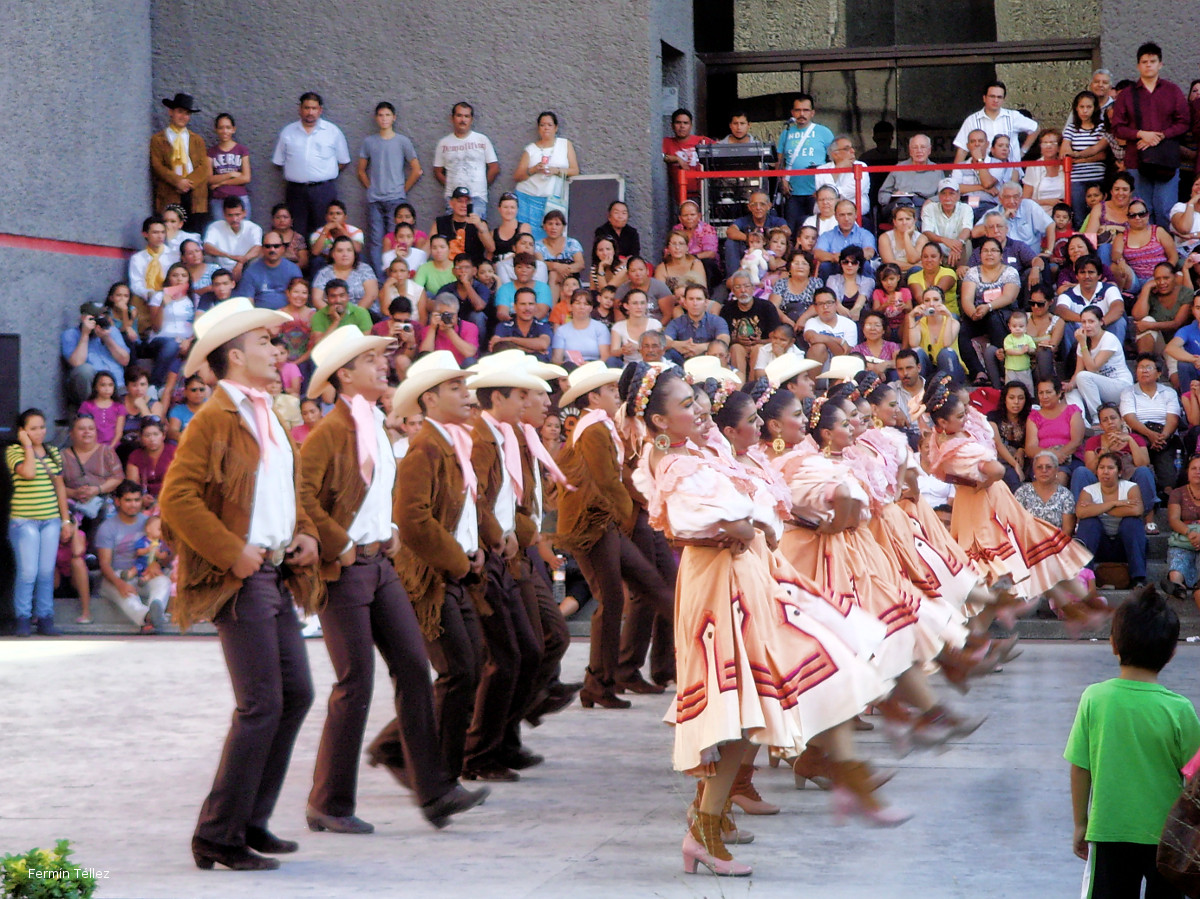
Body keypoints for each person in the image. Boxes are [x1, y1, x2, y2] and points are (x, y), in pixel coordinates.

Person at [297, 327, 488, 830]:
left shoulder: (373, 425)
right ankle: (329, 803)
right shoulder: (330, 431)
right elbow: (304, 495)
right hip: (346, 570)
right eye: (370, 360)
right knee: (355, 683)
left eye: (380, 358)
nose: (383, 364)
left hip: (379, 566)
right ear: (344, 374)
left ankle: (434, 790)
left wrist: (390, 532)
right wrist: (340, 542)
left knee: (413, 667)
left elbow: (378, 492)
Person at [160, 297, 321, 871]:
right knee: (262, 703)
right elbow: (176, 498)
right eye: (264, 342)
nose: (277, 351)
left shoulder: (267, 414)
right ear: (233, 356)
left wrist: (304, 531)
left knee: (293, 695)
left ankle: (249, 820)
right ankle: (218, 835)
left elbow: (287, 492)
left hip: (271, 572)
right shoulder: (214, 418)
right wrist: (233, 552)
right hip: (242, 578)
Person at [553, 362, 673, 709]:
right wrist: (632, 512)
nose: (616, 395)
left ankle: (615, 675)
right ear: (593, 397)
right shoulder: (593, 429)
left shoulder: (600, 425)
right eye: (608, 390)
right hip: (593, 523)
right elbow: (608, 480)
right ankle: (599, 682)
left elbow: (615, 475)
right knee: (615, 598)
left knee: (649, 585)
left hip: (604, 521)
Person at [1065, 589, 1200, 897]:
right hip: (1168, 838)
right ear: (1171, 652)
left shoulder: (1094, 699)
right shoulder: (1179, 709)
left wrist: (1080, 823)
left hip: (1109, 832)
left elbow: (1080, 768)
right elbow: (1196, 778)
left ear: (1113, 643)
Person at [1110, 41, 1191, 228]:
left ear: (1160, 64)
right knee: (1141, 210)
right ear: (1138, 65)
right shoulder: (1127, 95)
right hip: (1136, 160)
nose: (1148, 65)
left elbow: (1184, 122)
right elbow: (1117, 127)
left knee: (1165, 209)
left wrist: (1160, 135)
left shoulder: (1172, 91)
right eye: (1144, 62)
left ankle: (1165, 246)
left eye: (1152, 61)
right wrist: (1141, 134)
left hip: (1166, 159)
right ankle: (1145, 246)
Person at [7, 409, 72, 638]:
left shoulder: (53, 452)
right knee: (28, 572)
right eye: (33, 428)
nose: (39, 432)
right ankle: (23, 618)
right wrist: (27, 446)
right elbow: (29, 473)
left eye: (42, 427)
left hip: (50, 520)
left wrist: (65, 520)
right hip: (24, 521)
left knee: (46, 572)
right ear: (22, 431)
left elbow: (60, 487)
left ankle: (45, 617)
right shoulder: (14, 451)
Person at [272, 92, 351, 240]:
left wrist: (322, 174)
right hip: (296, 190)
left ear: (320, 110)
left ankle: (320, 256)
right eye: (306, 108)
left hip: (323, 190)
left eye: (314, 108)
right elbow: (279, 162)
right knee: (297, 231)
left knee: (323, 230)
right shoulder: (288, 132)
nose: (310, 112)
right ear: (300, 109)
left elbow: (343, 161)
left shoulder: (332, 131)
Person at [94, 480, 169, 633]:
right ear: (117, 501)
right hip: (117, 576)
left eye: (137, 500)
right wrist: (120, 584)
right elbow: (104, 564)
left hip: (144, 575)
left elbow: (166, 551)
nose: (133, 504)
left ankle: (156, 607)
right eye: (128, 500)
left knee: (164, 581)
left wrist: (158, 563)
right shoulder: (107, 528)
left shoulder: (151, 522)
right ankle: (148, 617)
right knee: (127, 596)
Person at [357, 101, 422, 277]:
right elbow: (361, 170)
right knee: (376, 241)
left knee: (396, 239)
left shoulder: (402, 141)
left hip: (396, 200)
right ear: (376, 118)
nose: (384, 119)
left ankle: (396, 275)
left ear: (394, 118)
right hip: (375, 200)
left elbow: (416, 170)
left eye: (387, 115)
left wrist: (403, 190)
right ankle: (379, 278)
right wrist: (370, 188)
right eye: (380, 115)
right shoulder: (369, 142)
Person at [1074, 403, 1158, 533]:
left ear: (1121, 419)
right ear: (1101, 425)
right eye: (1105, 420)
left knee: (1144, 472)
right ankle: (1079, 521)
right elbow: (1090, 469)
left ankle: (1149, 521)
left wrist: (1129, 440)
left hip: (1128, 479)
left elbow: (1143, 463)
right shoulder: (1093, 441)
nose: (1110, 422)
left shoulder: (1136, 438)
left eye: (1113, 418)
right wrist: (1105, 449)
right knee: (1080, 472)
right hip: (1102, 479)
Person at [1075, 453, 1148, 585]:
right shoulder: (1088, 490)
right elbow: (1081, 513)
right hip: (1098, 546)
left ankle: (1139, 579)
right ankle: (1084, 577)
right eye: (1101, 468)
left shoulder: (1130, 487)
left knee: (1132, 522)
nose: (1105, 472)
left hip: (1125, 547)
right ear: (1097, 471)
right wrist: (1114, 504)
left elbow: (1137, 510)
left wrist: (1097, 508)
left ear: (1119, 472)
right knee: (1089, 522)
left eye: (1110, 468)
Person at [960, 237, 1021, 384]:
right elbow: (966, 300)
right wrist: (973, 313)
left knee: (994, 318)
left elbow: (1009, 297)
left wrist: (988, 307)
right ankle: (978, 372)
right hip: (978, 314)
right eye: (985, 251)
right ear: (980, 255)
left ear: (1001, 255)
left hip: (1003, 313)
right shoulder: (972, 272)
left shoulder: (1010, 272)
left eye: (994, 250)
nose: (989, 254)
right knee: (961, 330)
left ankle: (1002, 369)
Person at [1120, 353, 1182, 498]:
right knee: (1138, 444)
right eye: (1140, 367)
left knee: (1166, 449)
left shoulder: (1168, 392)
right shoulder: (1128, 392)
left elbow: (1172, 419)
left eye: (1148, 367)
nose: (1144, 371)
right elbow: (1130, 418)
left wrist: (1162, 436)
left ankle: (1167, 492)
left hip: (1164, 434)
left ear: (1159, 373)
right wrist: (1150, 434)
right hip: (1140, 432)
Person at [514, 111, 580, 239]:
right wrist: (534, 169)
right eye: (542, 125)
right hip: (528, 197)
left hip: (552, 200)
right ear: (538, 128)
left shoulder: (564, 144)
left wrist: (557, 171)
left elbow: (575, 170)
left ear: (556, 127)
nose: (546, 128)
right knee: (527, 237)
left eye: (550, 125)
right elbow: (517, 176)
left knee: (551, 236)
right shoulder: (531, 149)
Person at [1065, 306, 1134, 426]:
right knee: (1071, 393)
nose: (1087, 326)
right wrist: (1070, 385)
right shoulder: (1083, 343)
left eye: (1091, 321)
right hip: (1099, 387)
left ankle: (1098, 418)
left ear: (1101, 322)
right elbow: (1078, 372)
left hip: (1120, 386)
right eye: (1084, 322)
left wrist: (1082, 343)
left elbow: (1092, 368)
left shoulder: (1109, 339)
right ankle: (1082, 423)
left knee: (1084, 376)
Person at [775, 94, 835, 231]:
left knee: (817, 229)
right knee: (792, 230)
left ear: (812, 113)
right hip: (792, 192)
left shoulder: (824, 132)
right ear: (792, 112)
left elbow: (835, 160)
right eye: (798, 110)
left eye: (806, 110)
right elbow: (779, 161)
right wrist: (782, 180)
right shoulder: (786, 132)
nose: (801, 114)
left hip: (817, 191)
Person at [150, 93, 209, 225]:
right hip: (171, 191)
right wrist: (178, 181)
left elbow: (204, 166)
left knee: (194, 230)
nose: (183, 116)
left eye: (187, 113)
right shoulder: (158, 139)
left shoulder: (197, 140)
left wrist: (188, 183)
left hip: (194, 193)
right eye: (180, 112)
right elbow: (157, 165)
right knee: (170, 228)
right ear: (171, 112)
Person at [433, 101, 499, 216]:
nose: (463, 120)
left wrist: (482, 185)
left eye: (466, 116)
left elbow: (494, 167)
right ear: (452, 118)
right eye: (459, 115)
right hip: (453, 199)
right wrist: (451, 185)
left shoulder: (482, 140)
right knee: (453, 228)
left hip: (477, 197)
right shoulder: (443, 143)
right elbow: (437, 171)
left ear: (471, 119)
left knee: (476, 227)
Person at [62, 301, 132, 406]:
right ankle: (91, 408)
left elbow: (125, 360)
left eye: (103, 316)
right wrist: (85, 334)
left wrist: (107, 338)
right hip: (91, 388)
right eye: (95, 317)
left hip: (116, 386)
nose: (100, 320)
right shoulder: (71, 334)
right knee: (84, 370)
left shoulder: (112, 331)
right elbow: (77, 363)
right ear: (83, 318)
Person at [953, 81, 1039, 164]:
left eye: (999, 97)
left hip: (1011, 170)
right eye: (992, 96)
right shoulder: (972, 120)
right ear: (984, 98)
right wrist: (956, 172)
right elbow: (962, 150)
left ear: (1003, 99)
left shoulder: (1013, 116)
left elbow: (1035, 129)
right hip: (982, 170)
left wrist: (1022, 152)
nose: (996, 100)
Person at [1024, 375, 1086, 486]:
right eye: (1041, 393)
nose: (1044, 396)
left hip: (1069, 459)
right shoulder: (1034, 417)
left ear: (1059, 393)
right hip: (1043, 461)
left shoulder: (1072, 411)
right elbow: (1030, 448)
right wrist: (1051, 455)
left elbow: (1077, 441)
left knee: (1060, 474)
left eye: (1048, 392)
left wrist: (1059, 455)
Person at [1056, 254, 1127, 350]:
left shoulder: (1109, 289)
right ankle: (1072, 359)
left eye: (1091, 272)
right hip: (1079, 334)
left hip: (1104, 331)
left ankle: (1113, 356)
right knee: (1066, 324)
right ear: (1076, 276)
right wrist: (1087, 321)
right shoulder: (1068, 294)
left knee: (1119, 322)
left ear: (1099, 275)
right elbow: (1061, 310)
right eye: (1082, 272)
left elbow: (1118, 308)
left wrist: (1099, 324)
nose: (1086, 276)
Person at [1132, 261, 1193, 366]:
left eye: (1166, 278)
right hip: (1159, 343)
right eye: (1157, 279)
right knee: (1147, 320)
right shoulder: (1152, 293)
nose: (1161, 282)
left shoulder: (1186, 293)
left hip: (1178, 344)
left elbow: (1177, 323)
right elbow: (1138, 316)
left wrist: (1150, 325)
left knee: (1148, 323)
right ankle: (1144, 364)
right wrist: (1146, 288)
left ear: (1175, 277)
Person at [1111, 198, 1176, 295]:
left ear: (1148, 215)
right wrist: (1120, 261)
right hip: (1133, 279)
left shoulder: (1158, 231)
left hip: (1157, 277)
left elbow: (1173, 256)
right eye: (1133, 215)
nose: (1137, 218)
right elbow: (1116, 253)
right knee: (1114, 267)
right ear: (1128, 218)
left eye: (1141, 214)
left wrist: (1164, 273)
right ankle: (1120, 296)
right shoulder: (1122, 236)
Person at [1061, 90, 1109, 221]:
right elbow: (1064, 152)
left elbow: (1102, 154)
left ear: (1095, 108)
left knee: (1101, 216)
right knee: (1079, 217)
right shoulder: (1071, 128)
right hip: (1076, 179)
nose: (1085, 111)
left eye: (1089, 107)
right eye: (1081, 107)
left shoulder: (1102, 127)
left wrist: (1077, 158)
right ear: (1076, 108)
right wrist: (1070, 154)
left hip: (1097, 178)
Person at [905, 286, 964, 382]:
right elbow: (913, 344)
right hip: (929, 368)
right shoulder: (919, 323)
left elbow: (947, 343)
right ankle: (920, 387)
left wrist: (949, 317)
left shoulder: (954, 323)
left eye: (936, 300)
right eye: (927, 300)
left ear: (942, 302)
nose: (931, 304)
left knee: (946, 352)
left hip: (951, 367)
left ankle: (950, 389)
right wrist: (911, 317)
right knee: (916, 351)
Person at [723, 190, 788, 277]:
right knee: (730, 243)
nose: (758, 207)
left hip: (769, 254)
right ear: (749, 207)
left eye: (762, 204)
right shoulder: (743, 220)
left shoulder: (776, 220)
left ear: (769, 206)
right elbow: (730, 231)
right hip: (749, 254)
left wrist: (774, 234)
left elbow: (787, 230)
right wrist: (751, 239)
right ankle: (734, 278)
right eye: (754, 205)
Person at [878, 134, 943, 220]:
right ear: (910, 151)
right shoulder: (899, 168)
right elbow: (882, 195)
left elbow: (944, 194)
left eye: (923, 147)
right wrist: (893, 196)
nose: (919, 151)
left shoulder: (937, 170)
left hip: (923, 207)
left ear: (929, 150)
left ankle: (915, 224)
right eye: (915, 147)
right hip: (899, 208)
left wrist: (931, 200)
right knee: (904, 202)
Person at [1016, 450, 1078, 537]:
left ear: (1056, 470)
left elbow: (1067, 531)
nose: (1044, 470)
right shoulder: (1022, 492)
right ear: (1034, 470)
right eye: (1039, 467)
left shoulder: (1066, 495)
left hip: (1057, 543)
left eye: (1048, 467)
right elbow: (1016, 523)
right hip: (1027, 541)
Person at [236, 232, 303, 311]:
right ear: (262, 249)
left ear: (283, 248)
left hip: (287, 315)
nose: (272, 249)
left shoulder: (293, 269)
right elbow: (247, 301)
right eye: (268, 246)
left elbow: (299, 297)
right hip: (261, 315)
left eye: (276, 246)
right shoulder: (250, 271)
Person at [664, 284, 729, 365]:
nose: (695, 303)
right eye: (691, 299)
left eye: (699, 299)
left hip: (710, 361)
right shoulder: (676, 322)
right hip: (683, 363)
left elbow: (724, 340)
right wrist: (677, 344)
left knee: (720, 351)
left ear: (706, 302)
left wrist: (703, 347)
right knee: (669, 352)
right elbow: (664, 341)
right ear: (685, 302)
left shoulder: (717, 321)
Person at [311, 236, 378, 312]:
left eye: (349, 250)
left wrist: (354, 314)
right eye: (340, 251)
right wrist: (333, 314)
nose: (345, 254)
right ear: (333, 254)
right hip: (331, 315)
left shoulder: (365, 269)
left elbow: (371, 295)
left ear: (354, 253)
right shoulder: (324, 273)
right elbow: (317, 299)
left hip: (363, 313)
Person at [662, 107, 713, 204]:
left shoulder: (702, 141)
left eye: (685, 123)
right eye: (678, 123)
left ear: (691, 125)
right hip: (681, 196)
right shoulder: (667, 142)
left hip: (705, 194)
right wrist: (677, 159)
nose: (682, 126)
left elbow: (723, 151)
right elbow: (657, 156)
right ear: (672, 125)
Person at [814, 200, 877, 278]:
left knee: (865, 265)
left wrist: (846, 258)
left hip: (857, 270)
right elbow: (818, 253)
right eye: (842, 215)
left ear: (856, 215)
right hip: (835, 269)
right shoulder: (826, 235)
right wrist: (834, 257)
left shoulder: (865, 234)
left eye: (849, 214)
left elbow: (869, 252)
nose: (846, 219)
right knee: (825, 266)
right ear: (836, 216)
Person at [203, 198, 262, 282]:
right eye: (230, 215)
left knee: (257, 259)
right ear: (224, 215)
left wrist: (241, 262)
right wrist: (230, 256)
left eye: (237, 215)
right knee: (207, 257)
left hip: (245, 268)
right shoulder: (215, 226)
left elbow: (257, 248)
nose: (234, 219)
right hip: (220, 268)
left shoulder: (253, 228)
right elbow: (207, 246)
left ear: (244, 213)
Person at [207, 113, 252, 221]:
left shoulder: (242, 150)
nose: (225, 131)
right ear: (216, 129)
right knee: (220, 230)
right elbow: (209, 179)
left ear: (233, 129)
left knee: (242, 229)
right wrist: (231, 174)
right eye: (221, 128)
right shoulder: (211, 152)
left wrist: (221, 183)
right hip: (219, 199)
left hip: (240, 198)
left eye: (228, 127)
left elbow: (246, 178)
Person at [813, 134, 871, 217]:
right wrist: (838, 169)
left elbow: (853, 190)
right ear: (835, 154)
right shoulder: (821, 169)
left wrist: (832, 196)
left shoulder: (861, 166)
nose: (852, 151)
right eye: (847, 149)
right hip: (827, 215)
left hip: (855, 215)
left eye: (852, 147)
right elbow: (823, 195)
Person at [989, 381, 1032, 489]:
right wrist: (1015, 464)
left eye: (1021, 398)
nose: (1016, 402)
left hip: (1023, 461)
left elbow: (1031, 441)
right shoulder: (993, 417)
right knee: (1012, 477)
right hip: (1000, 460)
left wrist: (1021, 450)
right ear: (1005, 399)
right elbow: (998, 445)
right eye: (1011, 398)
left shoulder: (1030, 418)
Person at [922, 180, 974, 268]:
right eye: (943, 194)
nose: (947, 198)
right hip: (937, 252)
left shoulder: (966, 208)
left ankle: (963, 271)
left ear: (958, 195)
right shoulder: (929, 208)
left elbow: (967, 229)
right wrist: (945, 240)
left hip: (958, 252)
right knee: (924, 239)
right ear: (939, 196)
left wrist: (957, 245)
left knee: (967, 243)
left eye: (951, 194)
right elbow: (927, 232)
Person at [551, 289, 611, 366]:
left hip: (594, 367)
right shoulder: (561, 331)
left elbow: (605, 357)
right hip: (570, 367)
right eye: (578, 303)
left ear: (591, 308)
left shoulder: (601, 328)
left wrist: (590, 365)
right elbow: (557, 359)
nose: (582, 307)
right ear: (571, 306)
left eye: (586, 304)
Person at [535, 210, 585, 301]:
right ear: (544, 226)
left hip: (571, 277)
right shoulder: (538, 245)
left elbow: (580, 264)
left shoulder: (572, 243)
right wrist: (556, 266)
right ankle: (552, 308)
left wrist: (564, 269)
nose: (553, 227)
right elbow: (540, 264)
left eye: (557, 224)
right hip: (546, 280)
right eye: (550, 224)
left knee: (562, 278)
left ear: (563, 227)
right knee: (554, 274)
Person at [129, 215, 180, 302]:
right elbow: (136, 283)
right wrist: (149, 294)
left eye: (163, 232)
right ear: (145, 234)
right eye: (155, 232)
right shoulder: (137, 258)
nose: (160, 236)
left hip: (170, 299)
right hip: (144, 300)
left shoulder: (174, 256)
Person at [126, 417, 176, 505]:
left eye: (156, 434)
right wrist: (141, 498)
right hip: (146, 499)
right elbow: (133, 485)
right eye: (147, 435)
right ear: (141, 437)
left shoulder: (174, 452)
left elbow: (181, 480)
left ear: (163, 436)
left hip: (171, 497)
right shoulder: (135, 456)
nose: (152, 439)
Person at [417, 295, 479, 365]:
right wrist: (433, 328)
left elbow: (470, 353)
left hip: (462, 367)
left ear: (457, 314)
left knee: (470, 360)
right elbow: (424, 356)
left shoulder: (469, 327)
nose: (448, 318)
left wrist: (449, 331)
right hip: (439, 367)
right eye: (444, 314)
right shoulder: (428, 330)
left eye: (451, 314)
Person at [1084, 172, 1136, 254]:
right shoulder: (1099, 208)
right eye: (1117, 189)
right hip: (1103, 255)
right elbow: (1089, 237)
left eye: (1125, 189)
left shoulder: (1137, 207)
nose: (1120, 193)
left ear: (1131, 192)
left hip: (1130, 253)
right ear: (1111, 191)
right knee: (1105, 248)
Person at [494, 251, 553, 323]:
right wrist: (515, 323)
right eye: (519, 267)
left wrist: (523, 323)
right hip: (511, 324)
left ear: (534, 270)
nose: (524, 270)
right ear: (514, 269)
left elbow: (541, 312)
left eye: (528, 267)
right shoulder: (504, 289)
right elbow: (502, 312)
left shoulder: (543, 288)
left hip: (538, 325)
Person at [310, 280, 373, 345]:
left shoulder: (361, 313)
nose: (338, 300)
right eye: (333, 296)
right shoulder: (318, 316)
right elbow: (319, 345)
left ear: (348, 296)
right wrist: (336, 321)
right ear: (327, 298)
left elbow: (366, 342)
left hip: (356, 349)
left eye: (342, 295)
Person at [1023, 130, 1067, 212]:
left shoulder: (1065, 166)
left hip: (1061, 214)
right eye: (1045, 143)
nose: (1048, 146)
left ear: (1059, 148)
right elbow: (1025, 200)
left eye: (1052, 143)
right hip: (1039, 213)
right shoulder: (1033, 167)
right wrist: (1047, 202)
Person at [878, 205, 927, 271]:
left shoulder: (922, 238)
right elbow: (889, 263)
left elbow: (913, 259)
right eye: (900, 219)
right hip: (893, 273)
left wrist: (906, 236)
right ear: (895, 222)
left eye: (908, 219)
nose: (904, 223)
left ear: (914, 220)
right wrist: (913, 266)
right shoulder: (885, 238)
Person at [1001, 310, 1038, 393]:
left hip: (1025, 368)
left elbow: (1033, 349)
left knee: (1028, 387)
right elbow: (1008, 351)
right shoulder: (1008, 338)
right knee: (1011, 388)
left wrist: (1029, 349)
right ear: (1009, 326)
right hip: (1011, 369)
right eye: (1014, 326)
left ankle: (1030, 399)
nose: (1017, 329)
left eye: (1021, 326)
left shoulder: (1028, 338)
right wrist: (1021, 352)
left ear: (1026, 326)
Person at [167, 374, 210, 441]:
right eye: (194, 390)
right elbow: (172, 432)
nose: (198, 393)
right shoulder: (178, 410)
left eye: (201, 390)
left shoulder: (212, 406)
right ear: (185, 392)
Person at [271, 204, 310, 272]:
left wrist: (290, 270)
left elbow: (303, 261)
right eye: (278, 217)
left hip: (293, 271)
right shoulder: (268, 238)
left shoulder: (298, 238)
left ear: (291, 220)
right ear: (273, 220)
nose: (282, 220)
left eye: (285, 217)